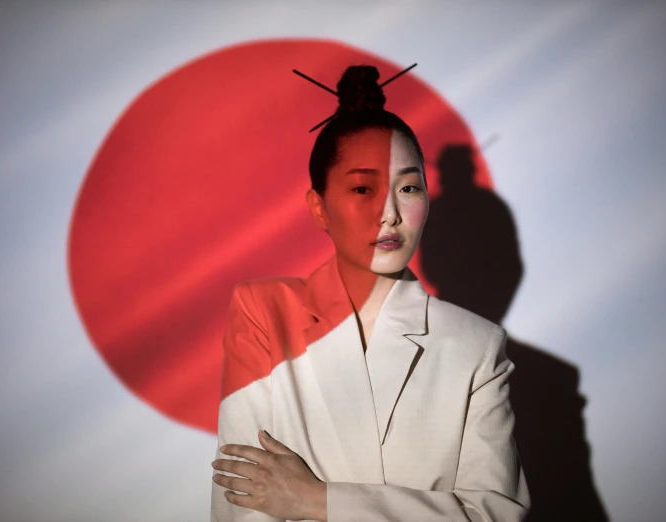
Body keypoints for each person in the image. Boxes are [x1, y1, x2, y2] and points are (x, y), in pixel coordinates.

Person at [210, 65, 529, 521]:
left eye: (408, 187)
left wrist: (316, 500)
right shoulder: (263, 312)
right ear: (319, 207)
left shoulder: (477, 346)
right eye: (364, 188)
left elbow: (494, 516)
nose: (390, 214)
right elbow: (241, 502)